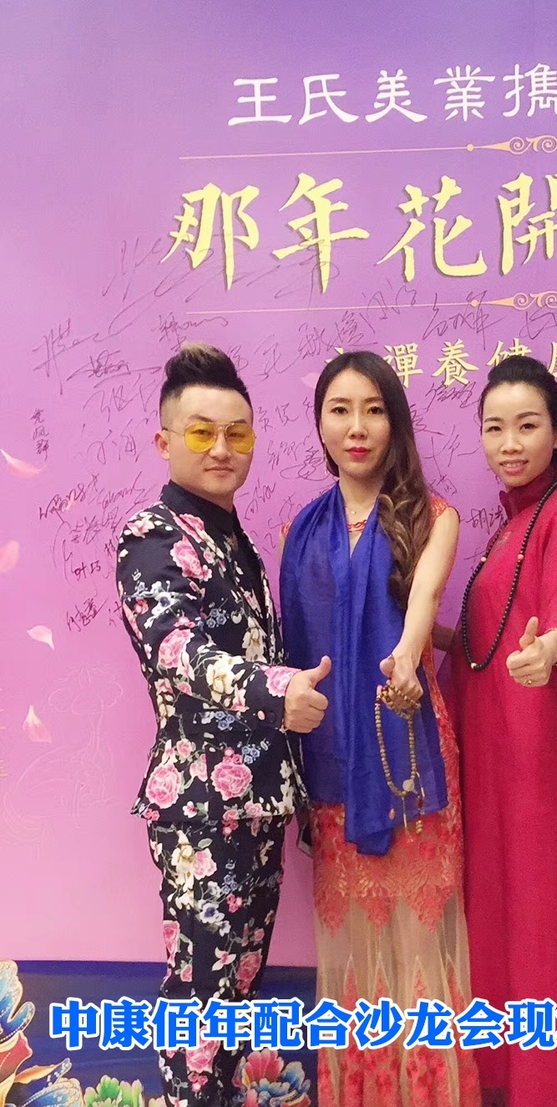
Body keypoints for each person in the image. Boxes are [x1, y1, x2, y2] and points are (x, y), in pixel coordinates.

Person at [116, 344, 329, 1107]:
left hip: (258, 805)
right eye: (202, 431)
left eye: (237, 432)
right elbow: (176, 651)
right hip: (201, 809)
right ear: (165, 439)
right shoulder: (151, 534)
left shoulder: (237, 539)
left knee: (235, 996)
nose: (221, 448)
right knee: (201, 997)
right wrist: (277, 687)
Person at [279, 350, 480, 1107]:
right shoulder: (300, 531)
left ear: (395, 423)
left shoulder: (433, 516)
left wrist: (405, 654)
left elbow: (422, 599)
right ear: (320, 423)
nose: (357, 427)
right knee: (354, 947)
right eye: (340, 410)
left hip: (411, 754)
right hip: (334, 761)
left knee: (421, 942)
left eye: (374, 409)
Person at [444, 356, 557, 1107]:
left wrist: (554, 649)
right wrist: (430, 638)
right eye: (494, 427)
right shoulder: (506, 529)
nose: (510, 443)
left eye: (528, 425)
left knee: (546, 939)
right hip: (496, 770)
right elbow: (487, 645)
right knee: (505, 934)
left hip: (543, 770)